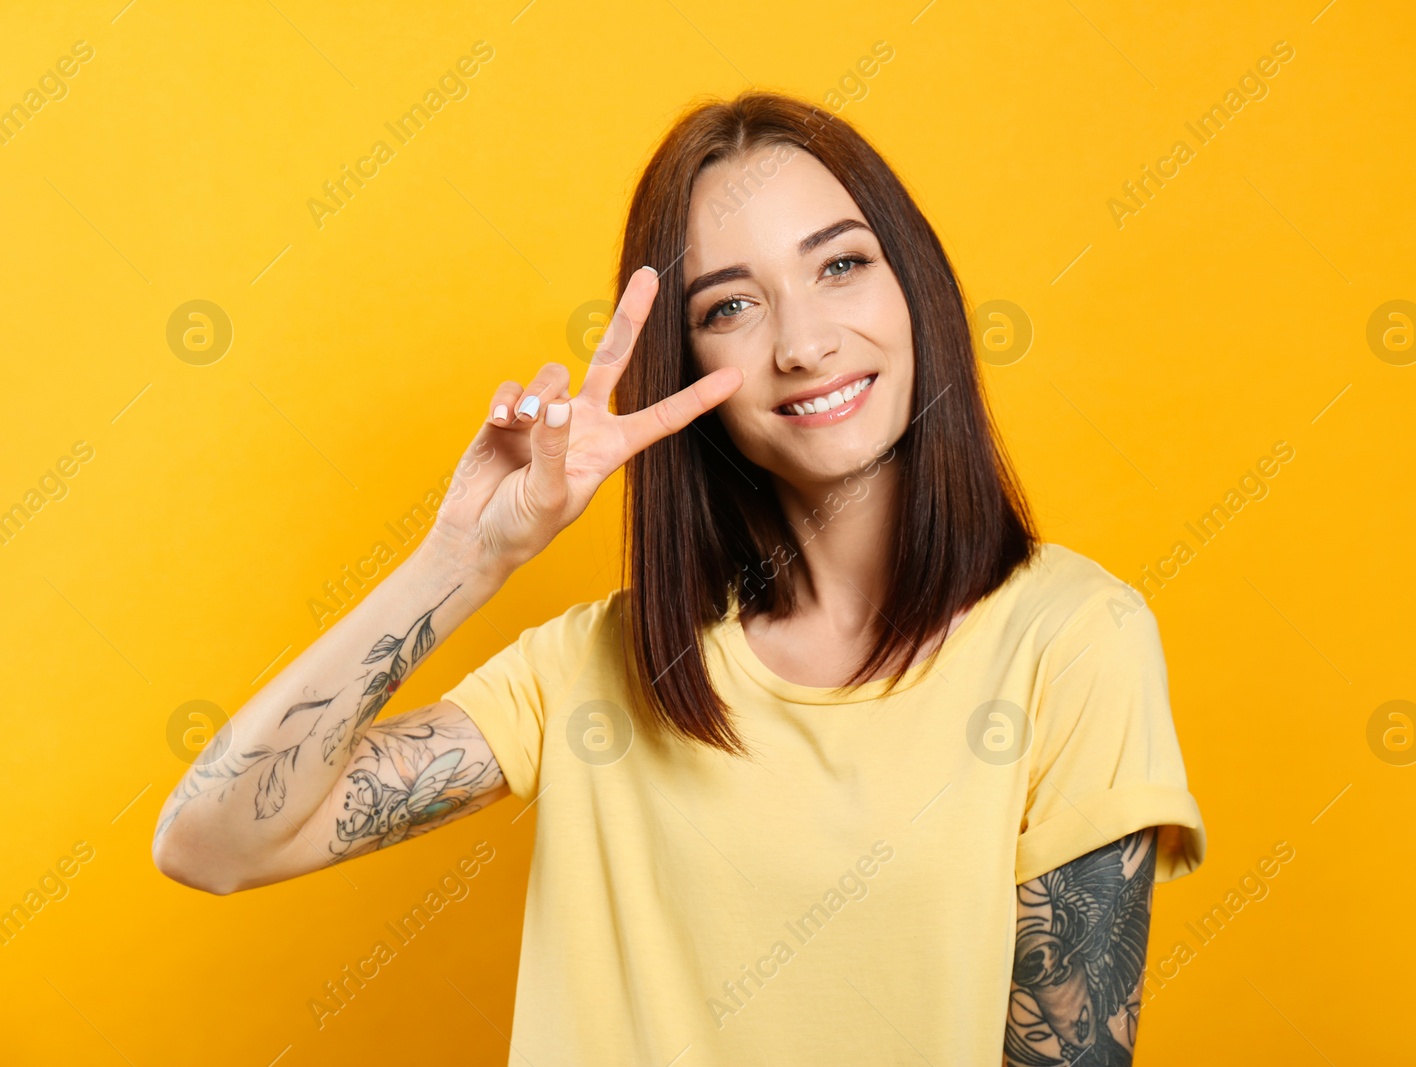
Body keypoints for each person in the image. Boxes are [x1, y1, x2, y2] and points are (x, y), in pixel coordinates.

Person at [152, 89, 1205, 1066]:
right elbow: (214, 839)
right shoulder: (594, 669)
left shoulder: (1074, 639)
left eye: (841, 264)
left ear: (915, 281)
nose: (804, 341)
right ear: (685, 366)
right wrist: (468, 558)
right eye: (730, 306)